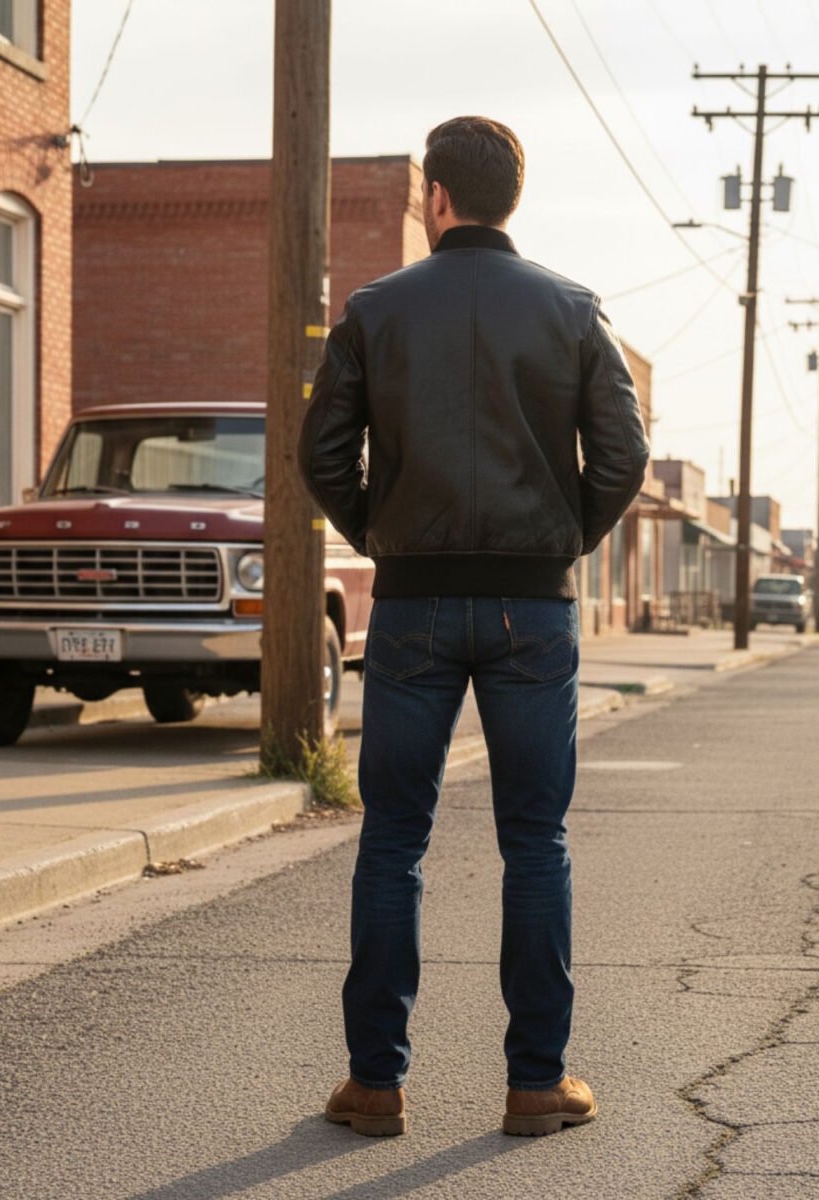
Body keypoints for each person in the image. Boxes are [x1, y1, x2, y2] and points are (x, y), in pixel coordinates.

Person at [300, 115, 649, 1138]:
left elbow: (323, 455)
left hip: (408, 604)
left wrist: (384, 536)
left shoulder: (375, 309)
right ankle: (536, 1085)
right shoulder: (573, 310)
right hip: (533, 607)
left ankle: (375, 1084)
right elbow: (621, 459)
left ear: (434, 198)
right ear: (512, 199)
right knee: (535, 841)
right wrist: (556, 543)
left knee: (392, 842)